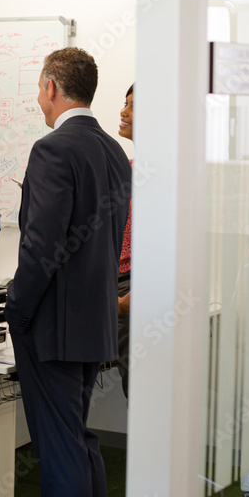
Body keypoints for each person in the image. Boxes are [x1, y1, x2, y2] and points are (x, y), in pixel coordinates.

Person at [3, 47, 131, 497]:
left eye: (40, 88)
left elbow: (42, 247)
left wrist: (16, 309)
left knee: (59, 452)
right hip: (94, 321)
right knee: (77, 438)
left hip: (53, 329)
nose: (40, 98)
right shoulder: (113, 150)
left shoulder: (53, 149)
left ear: (51, 87)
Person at [116, 84, 134, 399]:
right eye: (125, 103)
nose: (123, 112)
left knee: (140, 385)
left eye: (133, 107)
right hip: (118, 286)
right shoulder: (129, 168)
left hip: (134, 291)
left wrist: (128, 301)